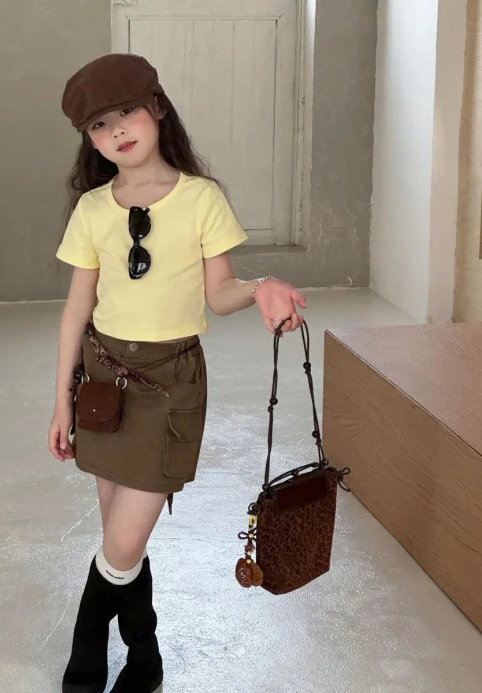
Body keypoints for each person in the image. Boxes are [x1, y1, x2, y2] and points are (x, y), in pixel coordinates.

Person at [48, 53, 306, 693]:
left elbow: (218, 294)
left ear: (157, 108)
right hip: (103, 378)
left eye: (127, 112)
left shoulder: (200, 198)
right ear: (89, 139)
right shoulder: (92, 209)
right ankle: (146, 660)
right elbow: (76, 311)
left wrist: (262, 288)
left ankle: (85, 653)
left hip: (170, 385)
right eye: (98, 125)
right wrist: (61, 402)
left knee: (121, 544)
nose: (116, 130)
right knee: (121, 540)